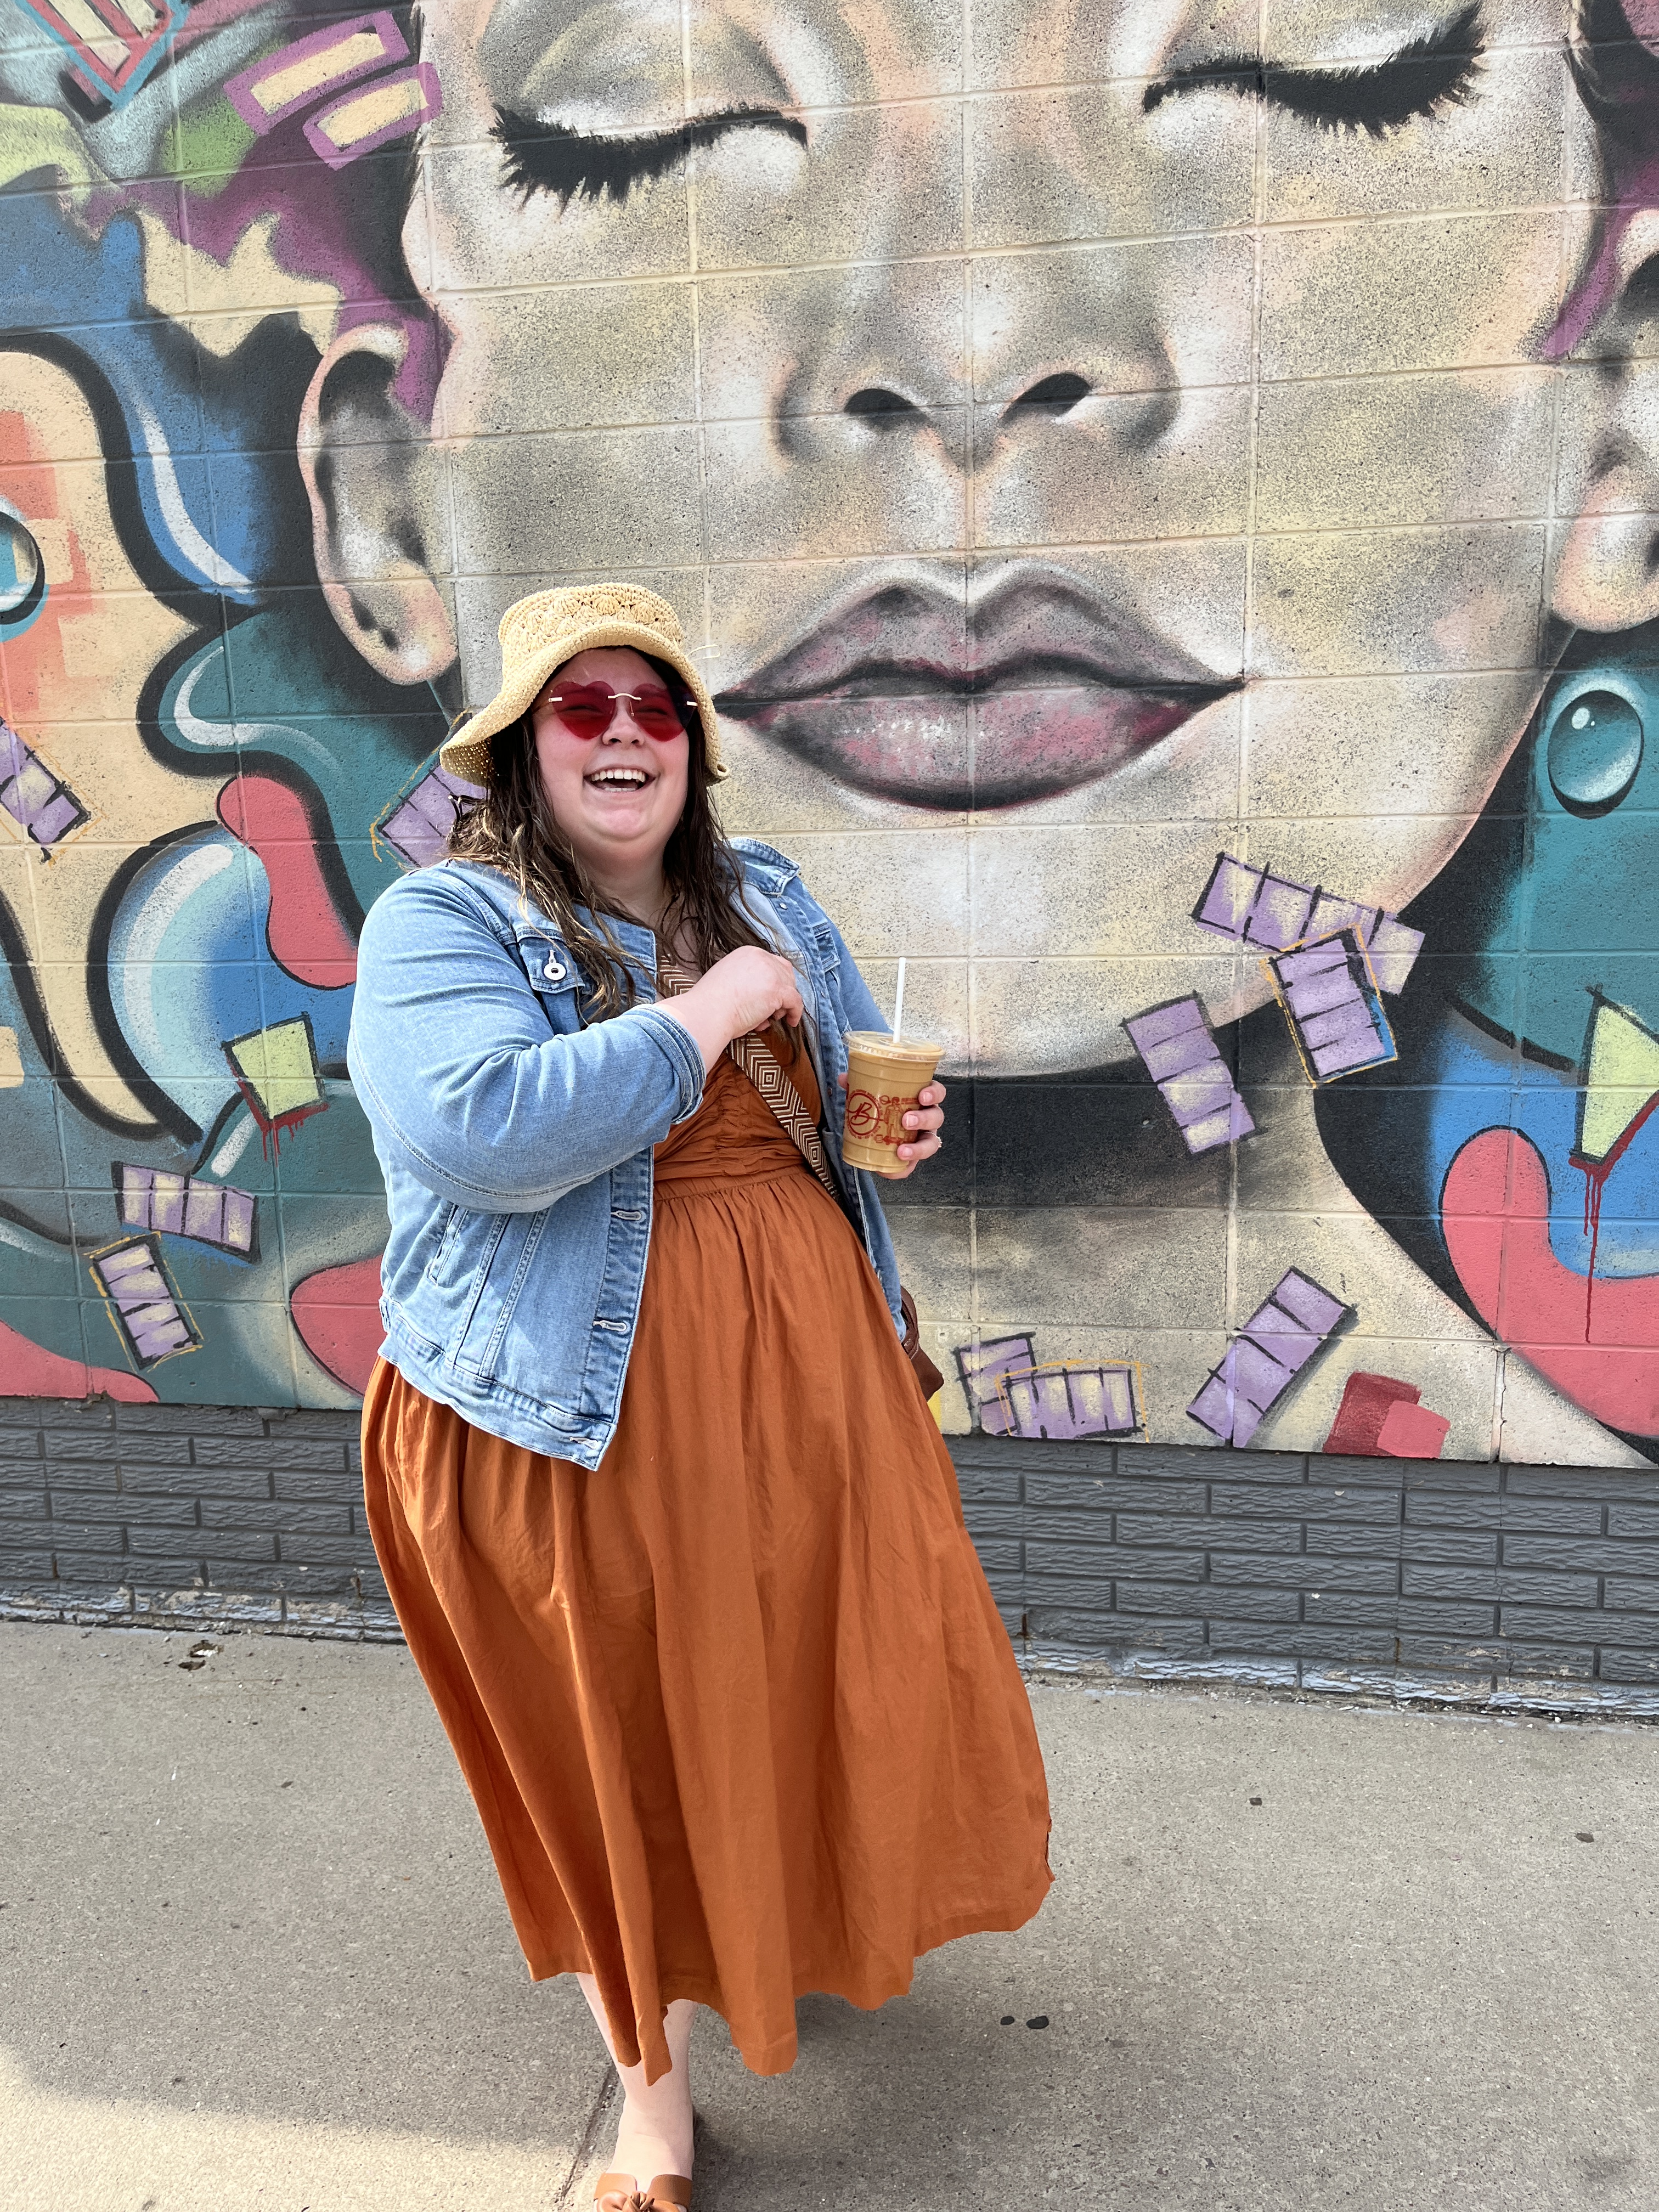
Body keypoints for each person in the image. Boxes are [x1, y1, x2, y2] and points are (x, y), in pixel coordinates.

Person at [294, 0, 1659, 1464]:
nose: (968, 346)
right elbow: (479, 1132)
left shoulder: (796, 943)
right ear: (388, 514)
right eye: (657, 118)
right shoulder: (466, 940)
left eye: (1291, 68)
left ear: (1623, 442)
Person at [346, 583, 1052, 2211]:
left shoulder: (771, 892)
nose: (618, 736)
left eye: (650, 709)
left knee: (804, 1676)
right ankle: (650, 2093)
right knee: (617, 1739)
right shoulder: (443, 924)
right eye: (576, 709)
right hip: (565, 1411)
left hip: (809, 1375)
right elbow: (479, 1134)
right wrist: (713, 1010)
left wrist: (893, 1126)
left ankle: (773, 1930)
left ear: (693, 750)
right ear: (521, 751)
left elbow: (848, 1071)